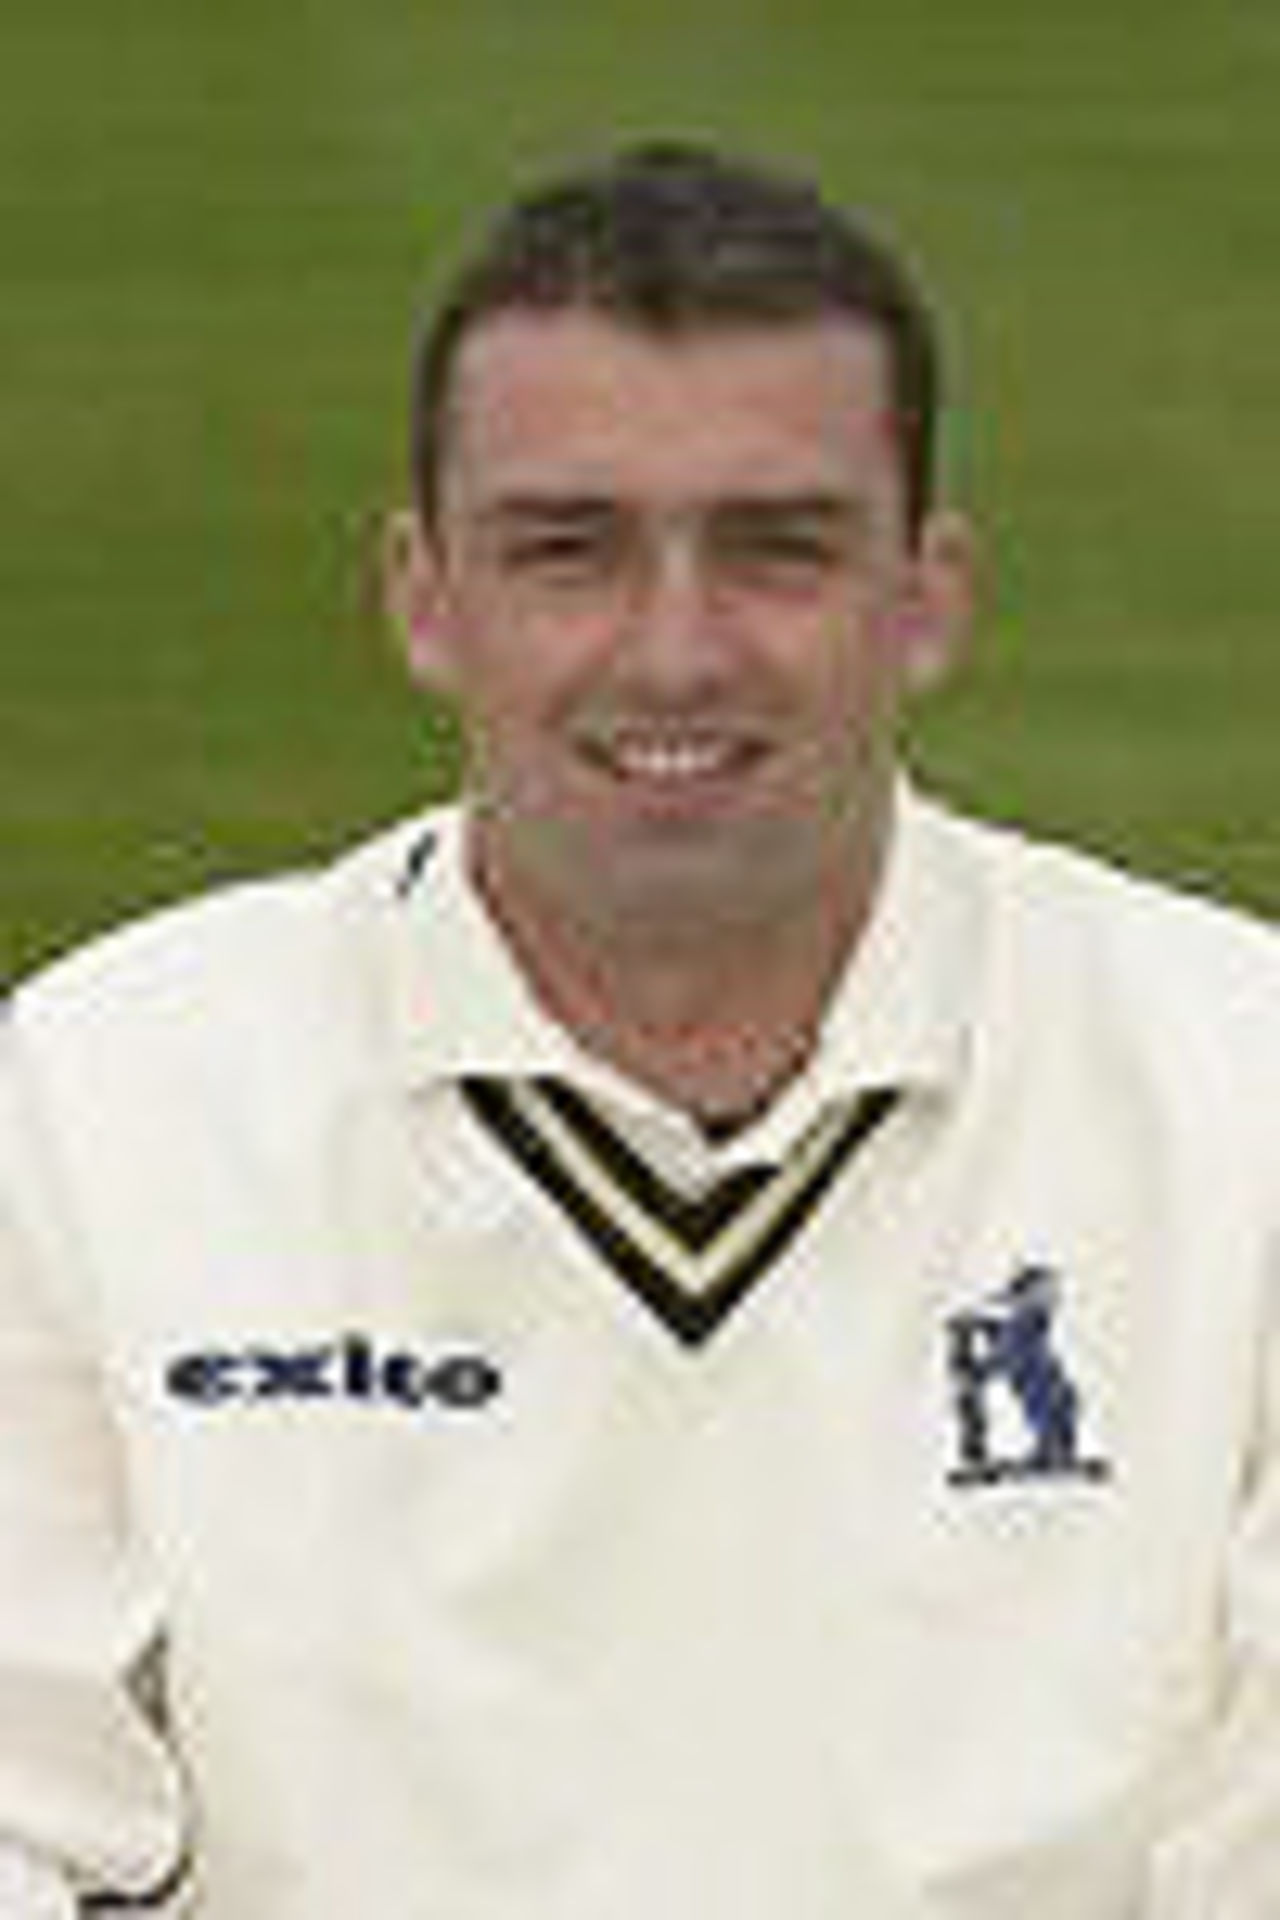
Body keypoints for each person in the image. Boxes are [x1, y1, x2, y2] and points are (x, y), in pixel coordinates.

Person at [0, 140, 1276, 1919]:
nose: (674, 652)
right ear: (423, 597)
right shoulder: (97, 1096)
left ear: (929, 598)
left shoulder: (1238, 1088)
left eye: (779, 549)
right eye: (567, 550)